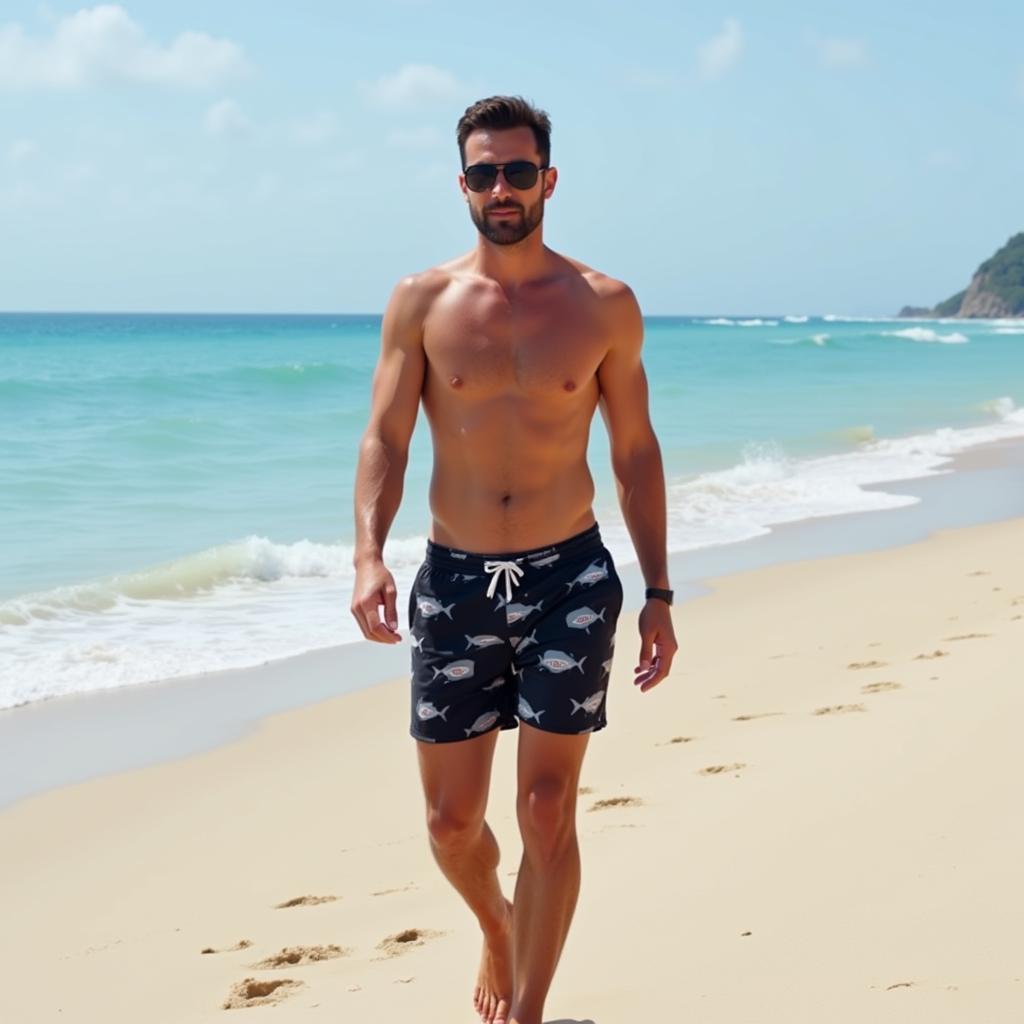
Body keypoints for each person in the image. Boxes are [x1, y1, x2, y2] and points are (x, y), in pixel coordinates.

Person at [352, 95, 677, 1024]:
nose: (503, 188)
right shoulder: (423, 301)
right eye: (485, 173)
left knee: (545, 811)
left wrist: (657, 590)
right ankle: (497, 926)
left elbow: (635, 452)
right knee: (452, 827)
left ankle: (529, 1011)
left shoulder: (604, 305)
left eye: (518, 171)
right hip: (454, 581)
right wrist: (369, 555)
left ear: (549, 180)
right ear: (463, 185)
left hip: (569, 578)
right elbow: (385, 436)